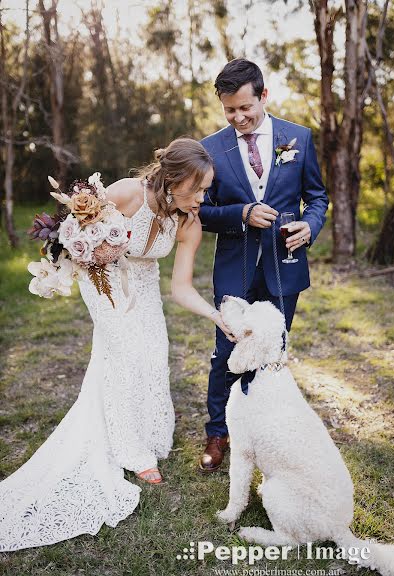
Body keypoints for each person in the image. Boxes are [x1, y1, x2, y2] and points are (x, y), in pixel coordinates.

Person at [0, 138, 232, 552]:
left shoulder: (189, 223)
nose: (202, 198)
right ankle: (127, 449)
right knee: (125, 353)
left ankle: (146, 432)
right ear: (173, 180)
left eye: (206, 190)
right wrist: (83, 256)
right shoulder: (128, 193)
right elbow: (74, 234)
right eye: (197, 189)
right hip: (101, 281)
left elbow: (180, 287)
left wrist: (216, 316)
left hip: (143, 286)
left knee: (154, 357)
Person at [198, 58, 329, 473]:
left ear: (263, 96)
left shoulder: (299, 138)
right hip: (234, 267)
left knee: (274, 351)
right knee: (226, 351)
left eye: (245, 108)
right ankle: (218, 432)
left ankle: (266, 431)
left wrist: (309, 226)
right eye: (229, 110)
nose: (238, 118)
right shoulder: (211, 148)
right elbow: (202, 212)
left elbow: (318, 197)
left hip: (283, 265)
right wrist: (241, 213)